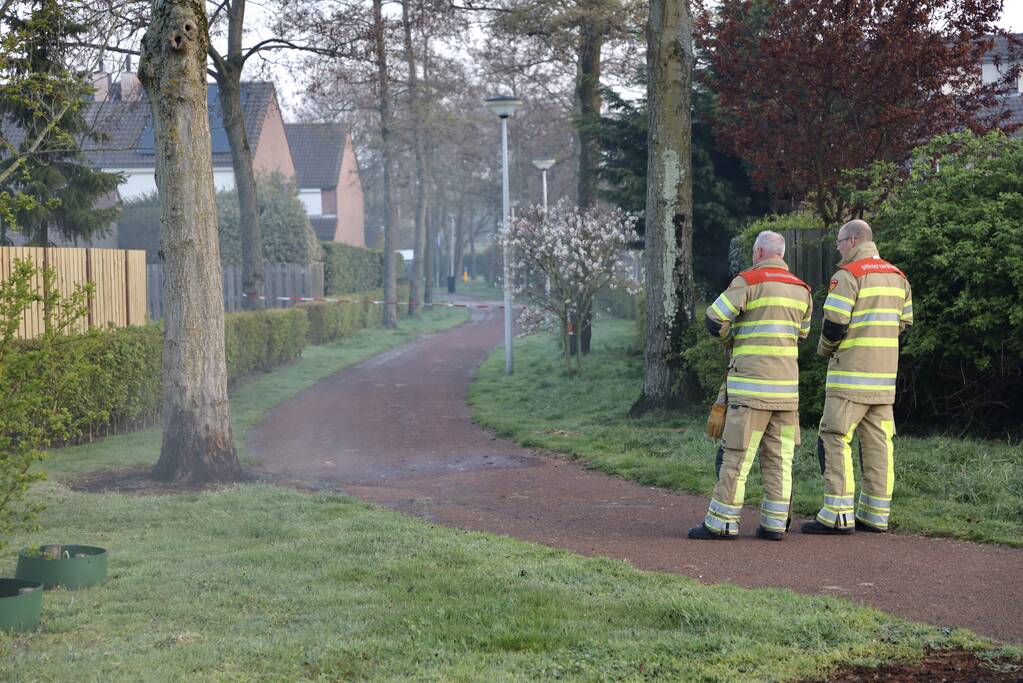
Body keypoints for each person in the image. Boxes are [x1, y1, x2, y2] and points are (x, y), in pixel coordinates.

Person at [689, 231, 812, 541]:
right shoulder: (802, 290)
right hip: (786, 394)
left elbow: (714, 320)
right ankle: (773, 524)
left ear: (758, 252)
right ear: (780, 254)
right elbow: (802, 334)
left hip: (750, 390)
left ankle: (722, 523)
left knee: (736, 456)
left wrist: (731, 341)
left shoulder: (748, 281)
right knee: (780, 459)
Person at [802, 219, 913, 535]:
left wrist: (825, 350)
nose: (837, 248)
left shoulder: (848, 276)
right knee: (879, 444)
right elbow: (903, 323)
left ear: (852, 241)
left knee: (834, 438)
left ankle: (838, 514)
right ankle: (876, 514)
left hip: (850, 378)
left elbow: (834, 324)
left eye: (839, 242)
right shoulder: (898, 277)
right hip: (883, 381)